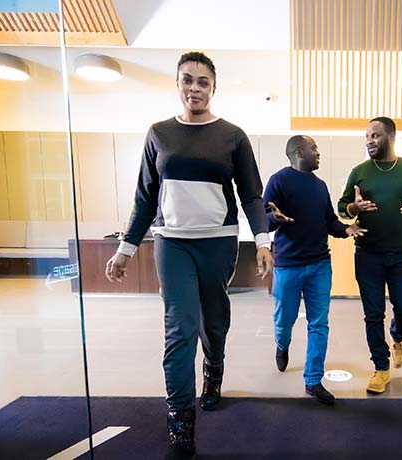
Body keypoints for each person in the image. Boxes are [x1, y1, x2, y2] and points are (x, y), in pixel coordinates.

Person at [105, 51, 273, 458]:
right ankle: (181, 420)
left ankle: (213, 369)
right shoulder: (158, 133)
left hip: (218, 242)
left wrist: (264, 242)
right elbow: (146, 197)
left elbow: (251, 193)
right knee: (179, 329)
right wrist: (126, 248)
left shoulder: (232, 135)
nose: (194, 87)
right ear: (177, 84)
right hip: (172, 242)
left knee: (213, 323)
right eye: (187, 80)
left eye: (202, 81)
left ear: (213, 87)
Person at [337, 117, 402, 395]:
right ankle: (380, 368)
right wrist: (353, 208)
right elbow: (342, 206)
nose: (369, 141)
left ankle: (398, 335)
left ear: (391, 137)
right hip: (368, 255)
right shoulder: (359, 172)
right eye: (367, 136)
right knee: (373, 314)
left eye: (375, 136)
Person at [264, 135, 366, 405]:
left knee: (319, 323)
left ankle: (313, 380)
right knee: (284, 320)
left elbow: (329, 220)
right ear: (299, 151)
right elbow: (264, 217)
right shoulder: (278, 180)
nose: (318, 153)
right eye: (314, 148)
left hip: (320, 264)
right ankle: (282, 344)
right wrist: (274, 218)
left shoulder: (320, 186)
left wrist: (346, 229)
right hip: (288, 266)